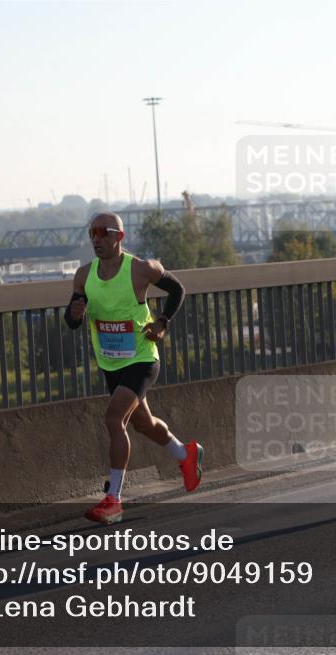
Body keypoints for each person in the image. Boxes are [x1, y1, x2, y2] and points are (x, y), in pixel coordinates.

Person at [64, 212, 203, 523]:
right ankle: (186, 454)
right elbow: (72, 321)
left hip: (141, 358)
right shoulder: (84, 276)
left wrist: (162, 322)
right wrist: (74, 314)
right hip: (111, 362)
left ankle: (114, 498)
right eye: (92, 233)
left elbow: (177, 290)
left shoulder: (141, 269)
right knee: (143, 423)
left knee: (114, 419)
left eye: (103, 232)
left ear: (119, 237)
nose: (96, 239)